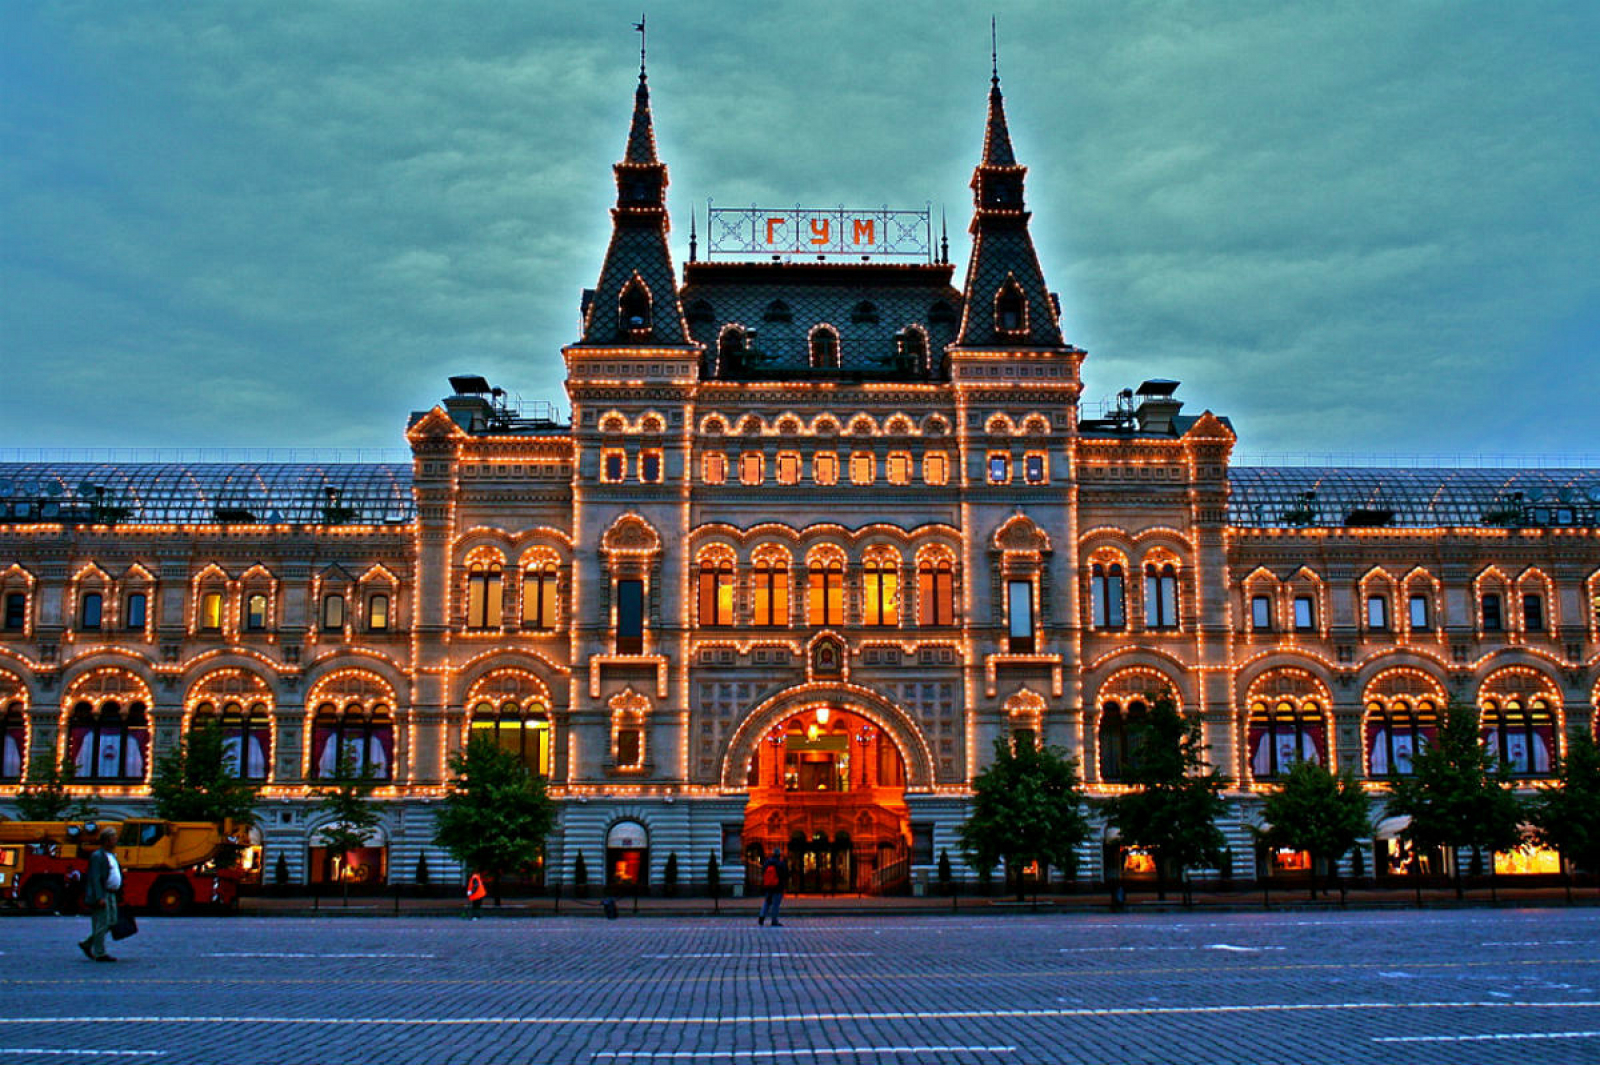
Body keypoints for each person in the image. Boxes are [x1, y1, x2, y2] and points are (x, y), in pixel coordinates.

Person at [77, 827, 121, 962]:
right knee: (102, 923)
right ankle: (100, 952)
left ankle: (88, 943)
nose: (116, 840)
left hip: (111, 892)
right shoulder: (98, 856)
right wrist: (99, 896)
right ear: (107, 840)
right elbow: (95, 878)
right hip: (103, 893)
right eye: (113, 838)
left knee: (112, 921)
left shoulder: (111, 855)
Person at [757, 849, 788, 927]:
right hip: (778, 887)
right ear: (779, 855)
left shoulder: (767, 862)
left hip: (768, 886)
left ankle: (761, 917)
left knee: (767, 902)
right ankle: (774, 920)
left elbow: (763, 872)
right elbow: (784, 875)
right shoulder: (780, 863)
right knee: (775, 905)